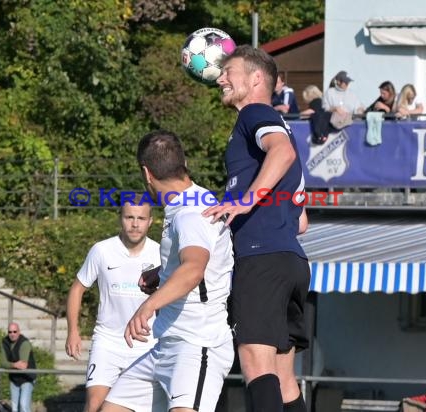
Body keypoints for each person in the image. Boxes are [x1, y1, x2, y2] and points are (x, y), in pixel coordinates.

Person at [205, 44, 311, 412]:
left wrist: (247, 200)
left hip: (262, 258)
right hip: (291, 260)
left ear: (255, 79)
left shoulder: (255, 113)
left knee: (254, 360)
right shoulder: (279, 125)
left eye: (228, 71)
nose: (220, 77)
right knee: (282, 376)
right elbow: (301, 220)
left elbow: (282, 153)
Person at [101, 130, 234, 412]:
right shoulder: (190, 203)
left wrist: (147, 306)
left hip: (197, 345)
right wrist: (162, 274)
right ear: (183, 161)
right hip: (165, 347)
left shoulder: (190, 213)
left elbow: (193, 270)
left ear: (146, 174)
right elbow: (197, 261)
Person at [65, 196, 161, 412]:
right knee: (94, 405)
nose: (135, 224)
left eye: (141, 218)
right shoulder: (101, 250)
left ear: (150, 221)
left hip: (146, 346)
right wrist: (73, 331)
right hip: (108, 342)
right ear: (121, 218)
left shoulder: (160, 253)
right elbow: (77, 289)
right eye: (129, 217)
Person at [0, 322, 36, 412]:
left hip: (27, 378)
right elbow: (2, 363)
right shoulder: (5, 342)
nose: (12, 334)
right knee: (15, 408)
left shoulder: (24, 343)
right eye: (10, 332)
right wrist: (14, 365)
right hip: (14, 378)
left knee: (23, 406)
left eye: (14, 332)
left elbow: (23, 365)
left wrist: (10, 364)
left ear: (19, 332)